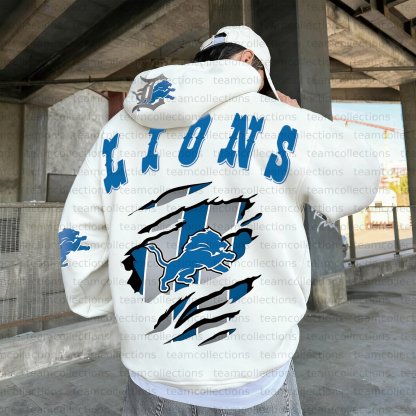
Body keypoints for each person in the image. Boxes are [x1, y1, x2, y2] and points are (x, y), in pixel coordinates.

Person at [58, 25, 381, 415]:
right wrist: (297, 117)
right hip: (255, 384)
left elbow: (78, 234)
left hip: (153, 378)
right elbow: (361, 180)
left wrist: (118, 308)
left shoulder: (117, 131)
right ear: (247, 60)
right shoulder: (282, 120)